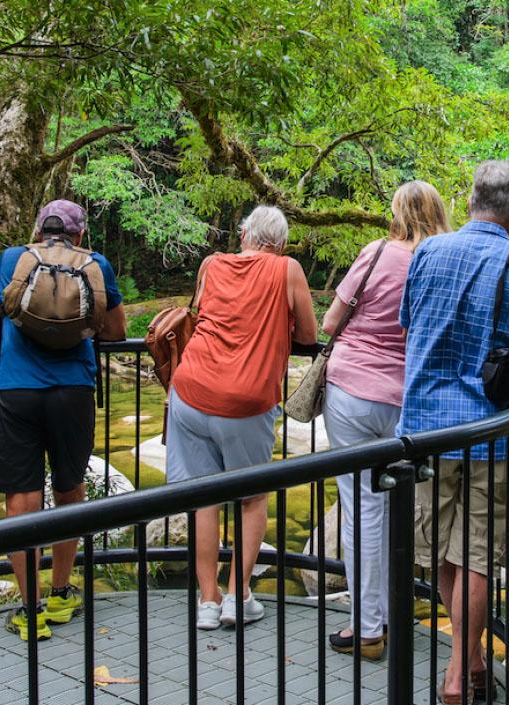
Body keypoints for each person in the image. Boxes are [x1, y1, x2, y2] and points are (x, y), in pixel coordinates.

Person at [398, 161, 509, 705]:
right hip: (490, 439)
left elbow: (409, 323)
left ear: (469, 199)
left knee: (447, 555)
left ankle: (470, 663)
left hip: (424, 431)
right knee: (475, 557)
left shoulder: (426, 252)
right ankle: (456, 677)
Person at [165, 205, 317, 630]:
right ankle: (238, 594)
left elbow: (200, 314)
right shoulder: (288, 270)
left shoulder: (211, 264)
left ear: (245, 234)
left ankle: (207, 602)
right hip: (247, 401)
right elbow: (308, 335)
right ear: (281, 243)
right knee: (251, 498)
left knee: (204, 498)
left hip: (191, 389)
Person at [321, 181, 451, 660]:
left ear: (397, 213)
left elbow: (331, 322)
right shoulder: (441, 262)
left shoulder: (377, 252)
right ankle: (399, 613)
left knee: (360, 509)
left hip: (353, 392)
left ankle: (367, 628)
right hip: (409, 401)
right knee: (399, 508)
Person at [0, 199, 127, 641]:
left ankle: (30, 610)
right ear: (79, 234)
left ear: (38, 228)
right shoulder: (96, 263)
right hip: (73, 392)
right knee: (70, 489)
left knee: (21, 497)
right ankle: (62, 592)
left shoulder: (14, 258)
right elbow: (117, 331)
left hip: (16, 389)